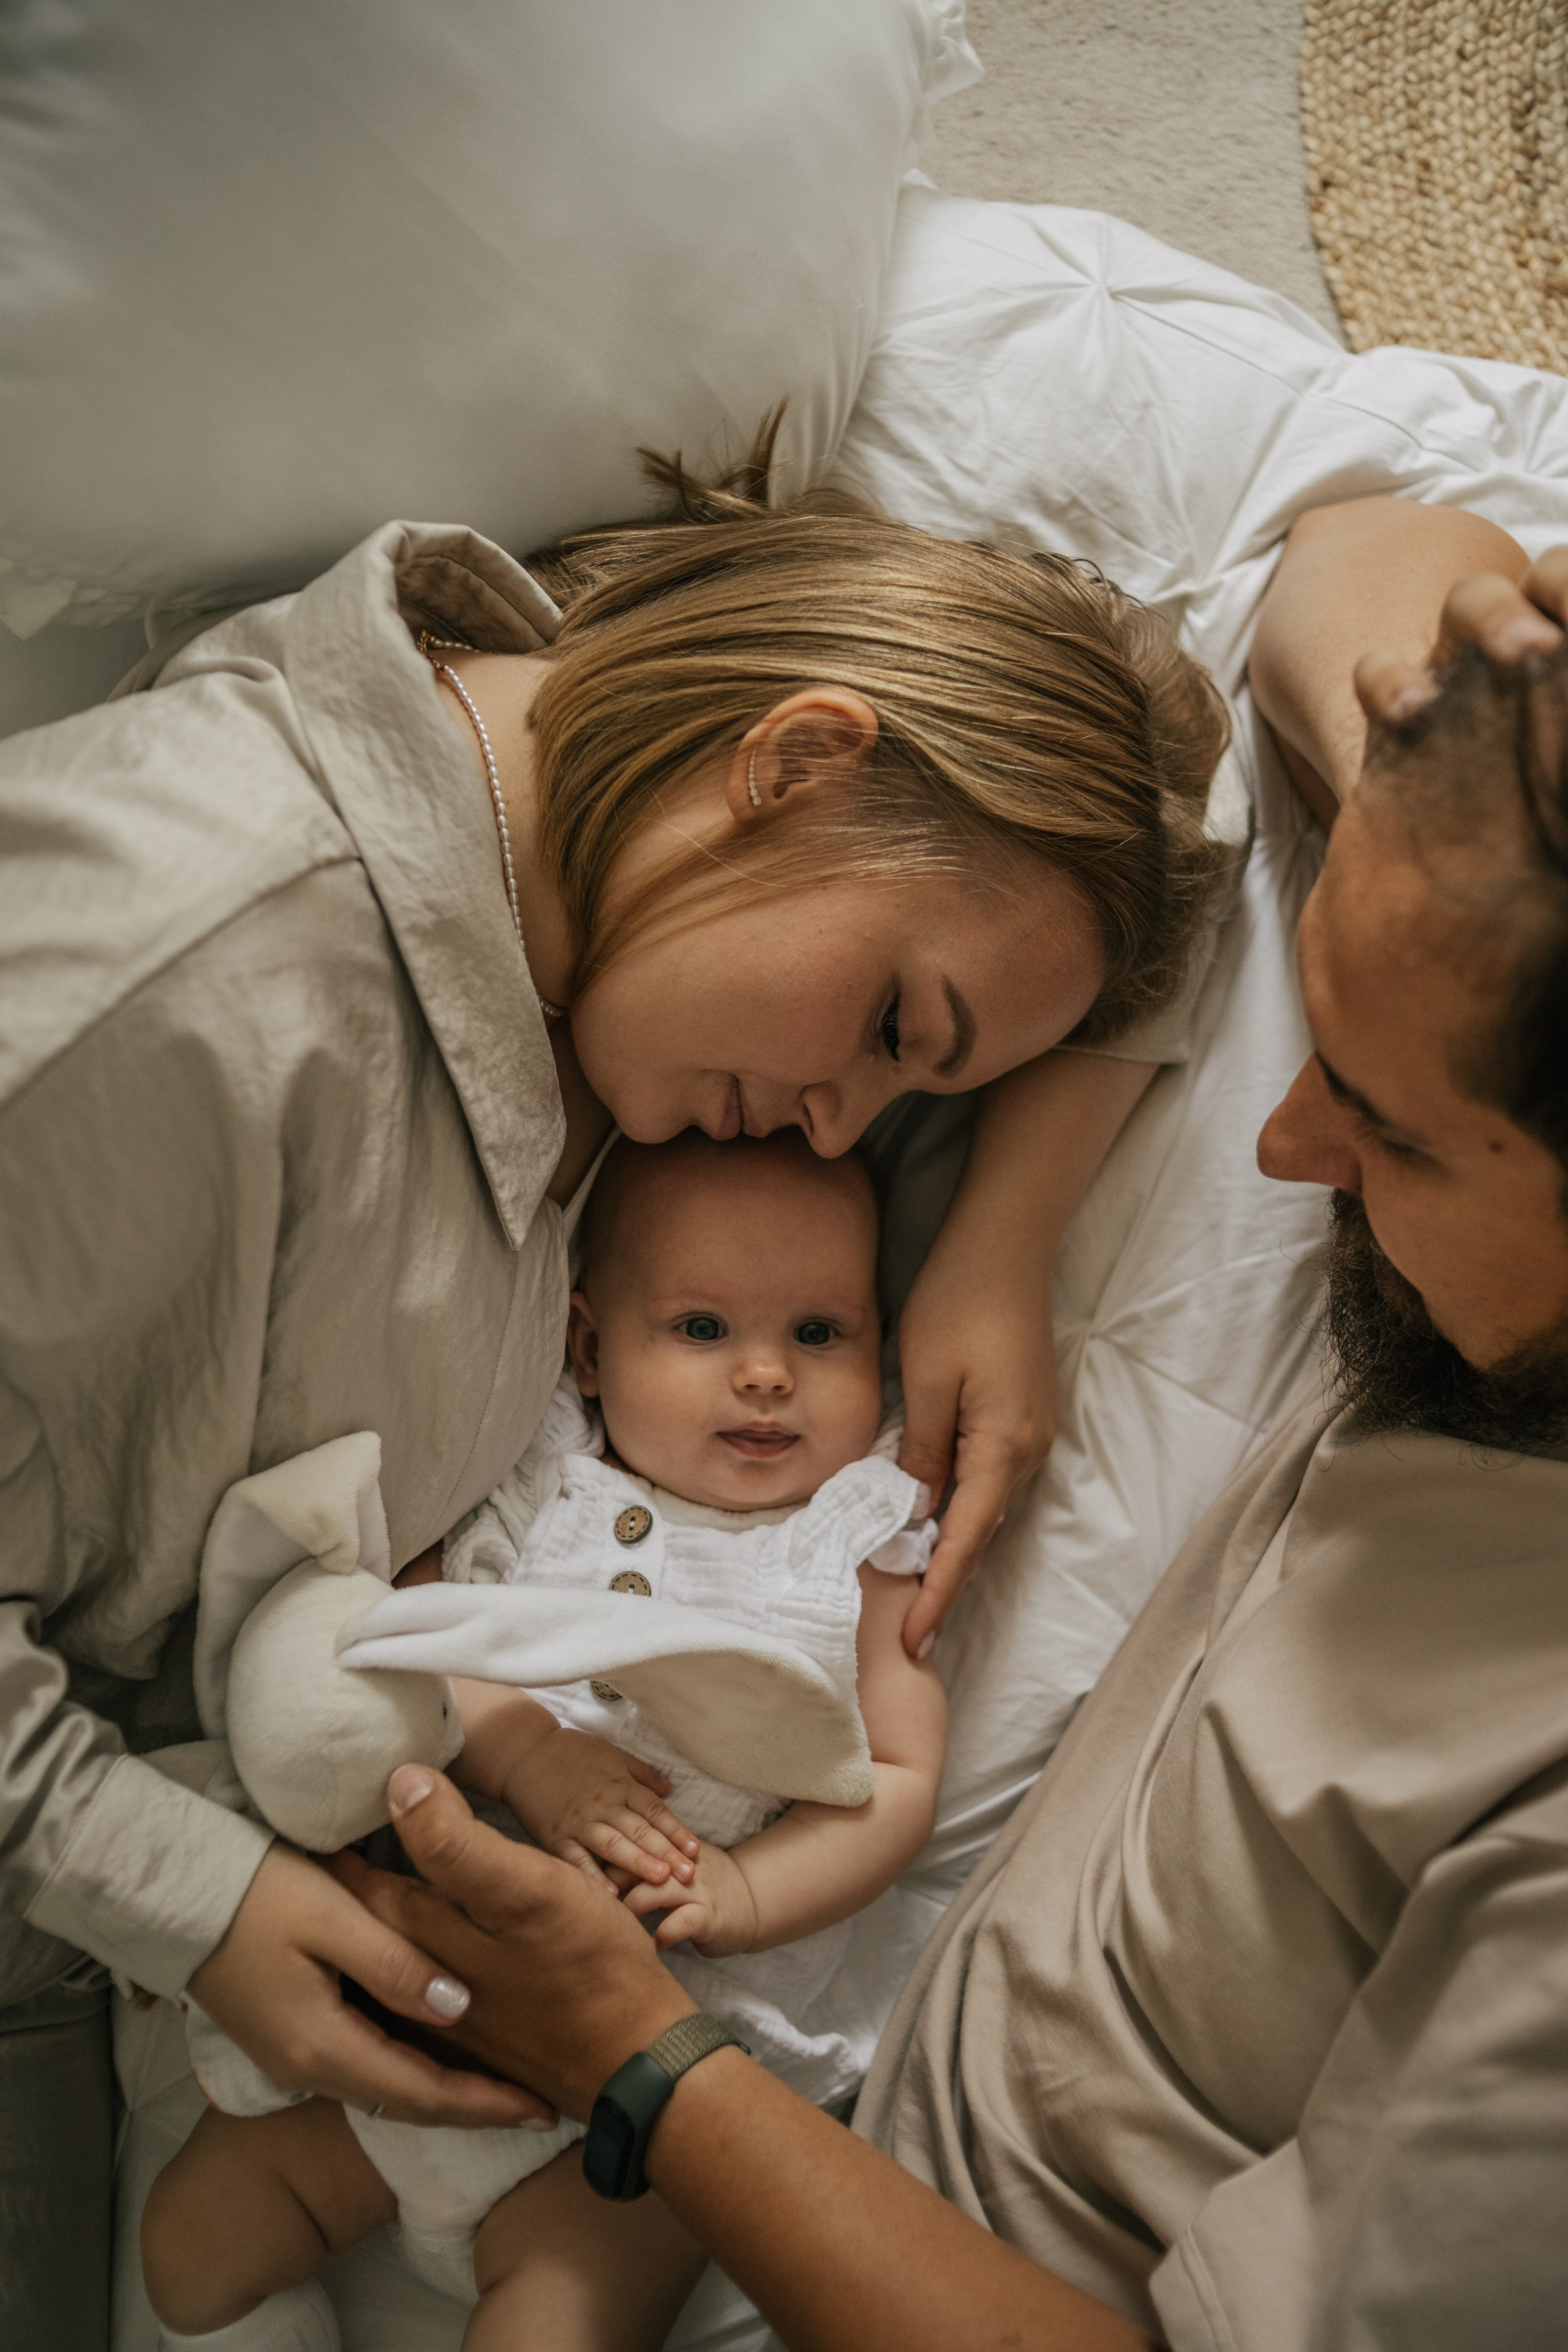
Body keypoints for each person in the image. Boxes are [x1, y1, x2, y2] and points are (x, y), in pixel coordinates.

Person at [0, 419, 1233, 2343]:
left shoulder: (589, 823)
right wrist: (189, 1901)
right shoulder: (181, 987)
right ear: (800, 761)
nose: (843, 1135)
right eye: (897, 1036)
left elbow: (1193, 832)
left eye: (921, 1095)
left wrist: (1004, 1221)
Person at [336, 533, 1568, 2351]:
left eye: (1388, 1126)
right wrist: (1004, 1221)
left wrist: (637, 2057)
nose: (1282, 1147)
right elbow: (1344, 557)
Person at [140, 1129, 946, 2350]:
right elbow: (401, 1630)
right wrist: (525, 1754)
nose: (767, 1375)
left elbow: (893, 1782)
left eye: (819, 1333)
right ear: (586, 1345)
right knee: (185, 2249)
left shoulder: (854, 1536)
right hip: (408, 2015)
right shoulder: (536, 1479)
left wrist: (739, 1890)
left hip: (638, 2098)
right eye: (700, 1329)